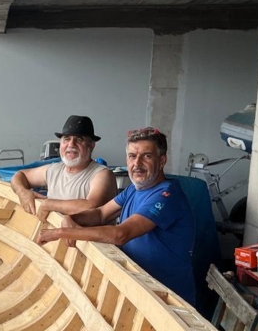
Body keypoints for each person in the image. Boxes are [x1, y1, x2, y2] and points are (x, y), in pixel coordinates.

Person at [37, 127, 197, 305]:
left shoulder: (166, 195)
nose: (137, 164)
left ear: (162, 161)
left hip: (169, 298)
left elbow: (120, 234)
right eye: (132, 156)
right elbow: (100, 213)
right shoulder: (133, 190)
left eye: (146, 156)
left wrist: (60, 233)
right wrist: (72, 218)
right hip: (139, 286)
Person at [10, 115, 116, 219]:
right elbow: (20, 175)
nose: (71, 144)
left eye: (79, 140)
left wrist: (50, 204)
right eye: (66, 139)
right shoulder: (53, 170)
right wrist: (22, 191)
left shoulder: (102, 174)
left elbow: (91, 207)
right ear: (60, 143)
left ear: (91, 145)